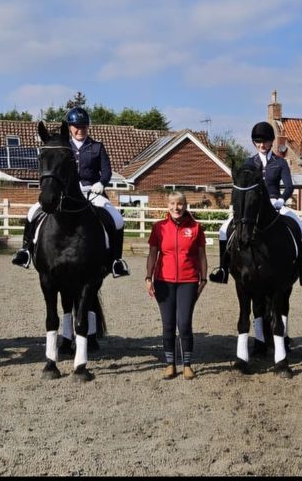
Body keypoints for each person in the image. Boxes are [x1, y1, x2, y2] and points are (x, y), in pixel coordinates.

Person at [11, 107, 131, 277]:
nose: (80, 129)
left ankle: (115, 260)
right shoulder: (62, 146)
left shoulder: (96, 147)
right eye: (76, 126)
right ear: (70, 128)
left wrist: (101, 183)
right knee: (32, 213)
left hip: (92, 191)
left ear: (88, 127)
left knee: (117, 218)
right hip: (65, 191)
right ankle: (26, 251)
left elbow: (106, 171)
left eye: (83, 126)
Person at [208, 121, 302, 286]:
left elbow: (289, 186)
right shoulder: (248, 163)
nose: (262, 145)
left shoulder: (280, 162)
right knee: (224, 230)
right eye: (258, 142)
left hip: (275, 202)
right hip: (254, 206)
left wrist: (281, 200)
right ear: (254, 143)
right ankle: (223, 269)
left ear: (271, 141)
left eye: (265, 141)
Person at [145, 191, 207, 380]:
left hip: (188, 281)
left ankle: (187, 364)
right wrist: (148, 277)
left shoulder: (196, 228)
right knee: (168, 324)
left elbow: (202, 256)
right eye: (172, 204)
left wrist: (203, 279)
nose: (176, 208)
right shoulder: (159, 228)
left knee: (185, 323)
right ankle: (170, 364)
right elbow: (152, 254)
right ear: (168, 206)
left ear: (185, 205)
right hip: (164, 281)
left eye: (179, 204)